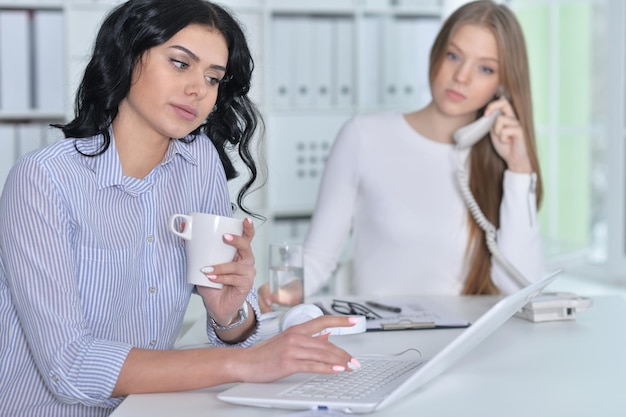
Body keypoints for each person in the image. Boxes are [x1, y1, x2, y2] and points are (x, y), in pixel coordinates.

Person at [0, 1, 359, 416]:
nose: (198, 89)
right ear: (128, 55)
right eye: (179, 64)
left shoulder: (199, 162)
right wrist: (244, 362)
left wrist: (230, 314)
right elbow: (70, 367)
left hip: (148, 407)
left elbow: (232, 327)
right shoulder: (43, 179)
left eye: (213, 78)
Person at [259, 0, 544, 311]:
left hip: (465, 342)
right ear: (436, 54)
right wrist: (273, 299)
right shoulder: (364, 136)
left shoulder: (498, 163)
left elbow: (521, 288)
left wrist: (519, 169)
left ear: (502, 86)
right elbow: (318, 258)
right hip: (380, 337)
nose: (461, 76)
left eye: (485, 68)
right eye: (453, 56)